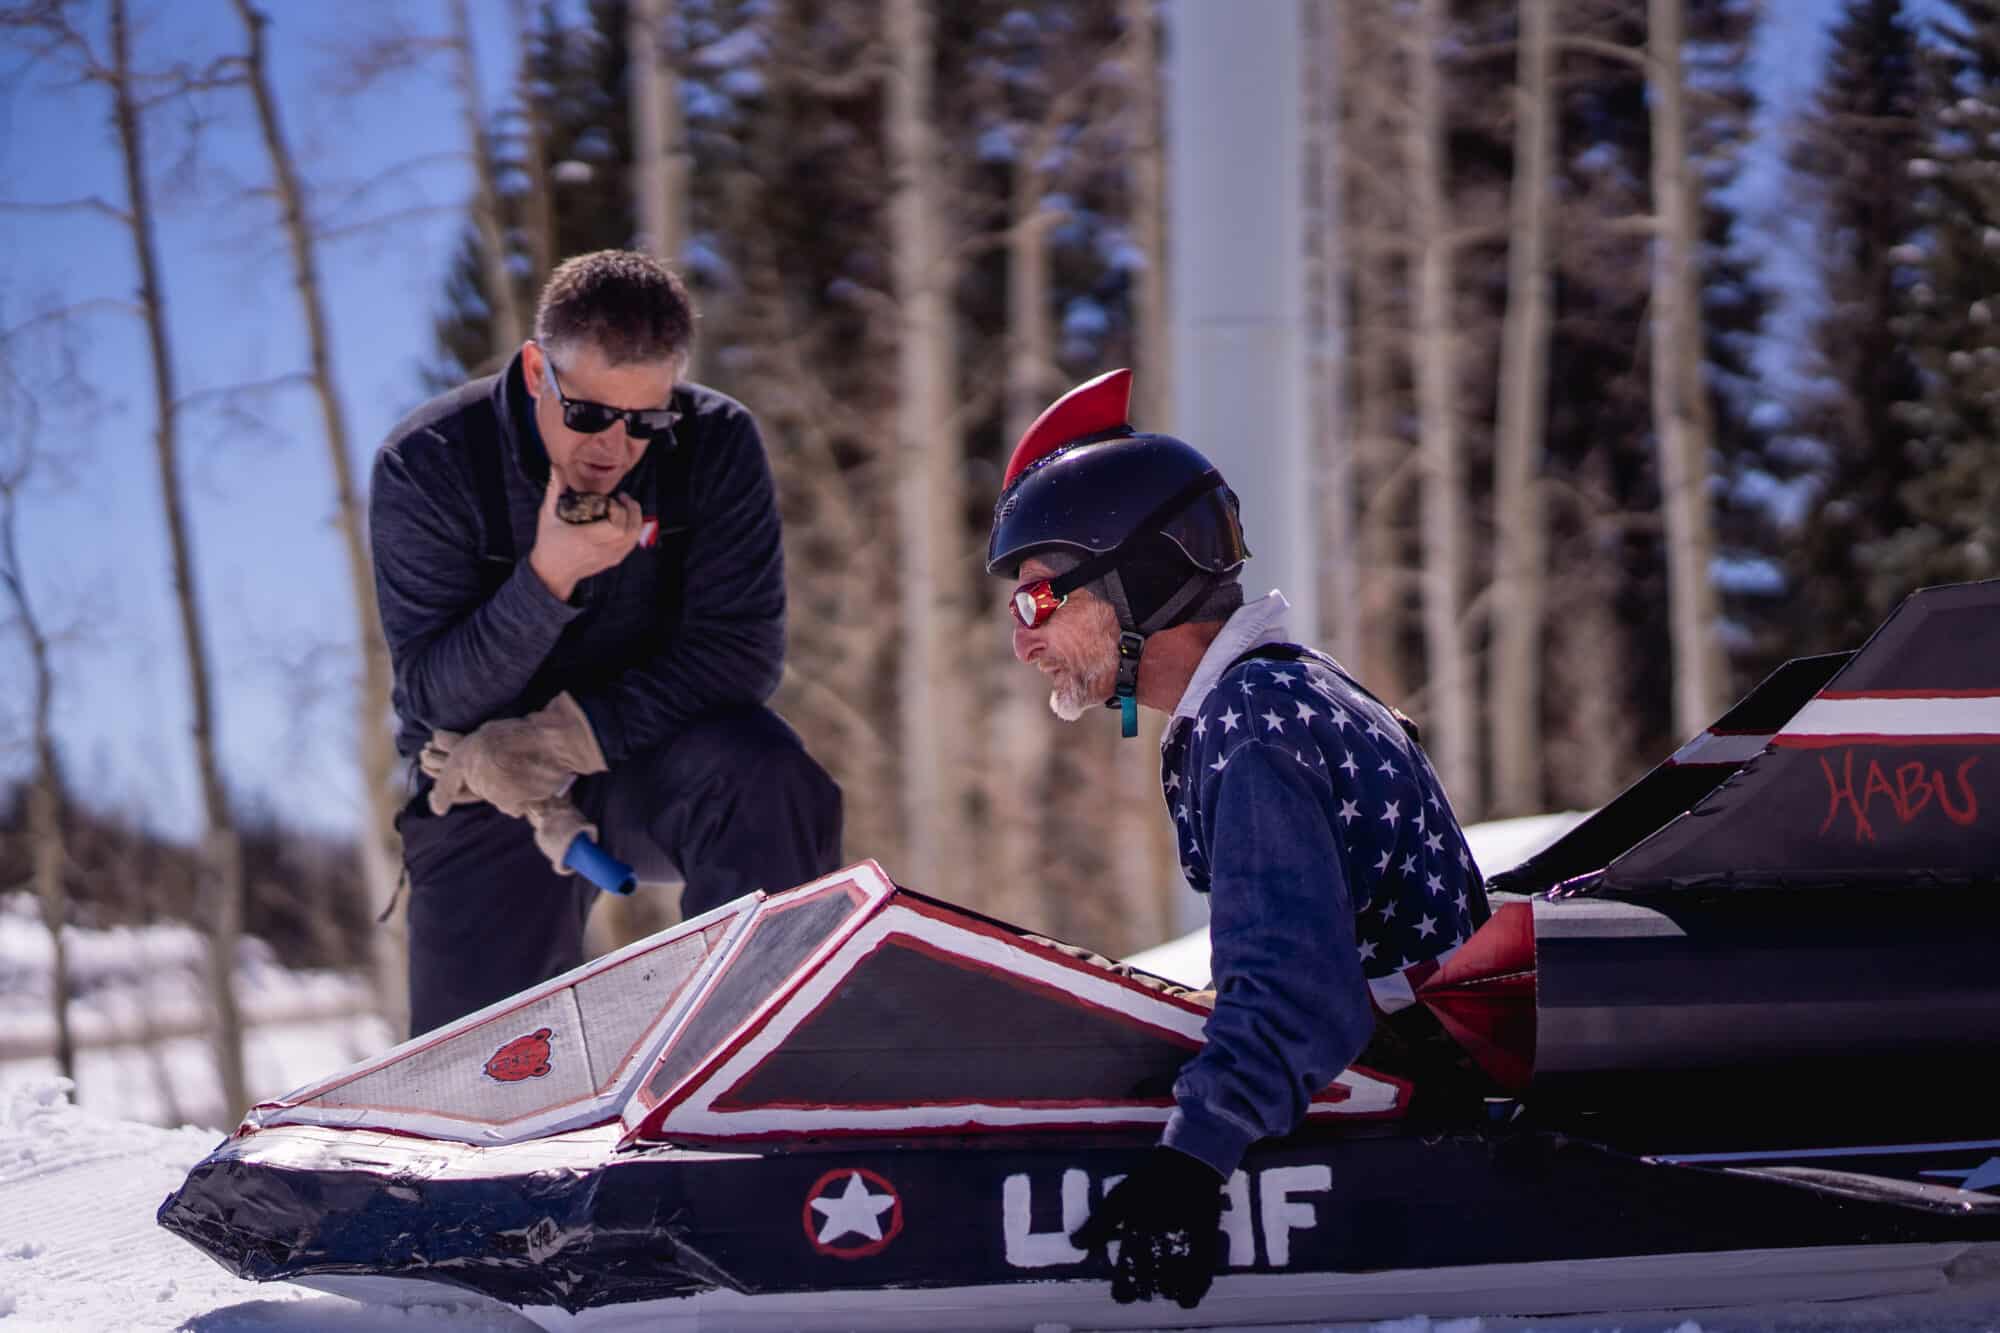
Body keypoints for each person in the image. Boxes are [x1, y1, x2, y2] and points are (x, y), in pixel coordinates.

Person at [986, 368, 1491, 1309]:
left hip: (1427, 1140)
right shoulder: (1294, 685)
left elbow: (1297, 996)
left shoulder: (1251, 723)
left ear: (1137, 579)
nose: (1024, 641)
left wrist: (1191, 1165)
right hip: (1437, 1103)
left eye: (1040, 601)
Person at [371, 249, 843, 1037]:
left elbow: (741, 655)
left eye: (646, 422)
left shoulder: (717, 444)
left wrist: (564, 738)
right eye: (589, 414)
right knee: (475, 1077)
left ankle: (760, 1060)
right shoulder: (429, 467)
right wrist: (547, 579)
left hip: (646, 759)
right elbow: (432, 691)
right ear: (534, 373)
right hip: (478, 783)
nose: (614, 448)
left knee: (768, 773)